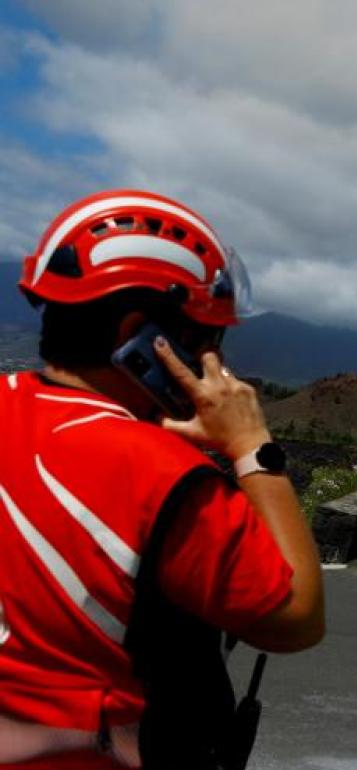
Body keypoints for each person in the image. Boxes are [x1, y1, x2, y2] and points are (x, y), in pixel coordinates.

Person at [0, 190, 325, 769]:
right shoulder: (163, 476)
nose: (217, 366)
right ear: (143, 336)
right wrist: (252, 447)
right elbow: (296, 618)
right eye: (209, 340)